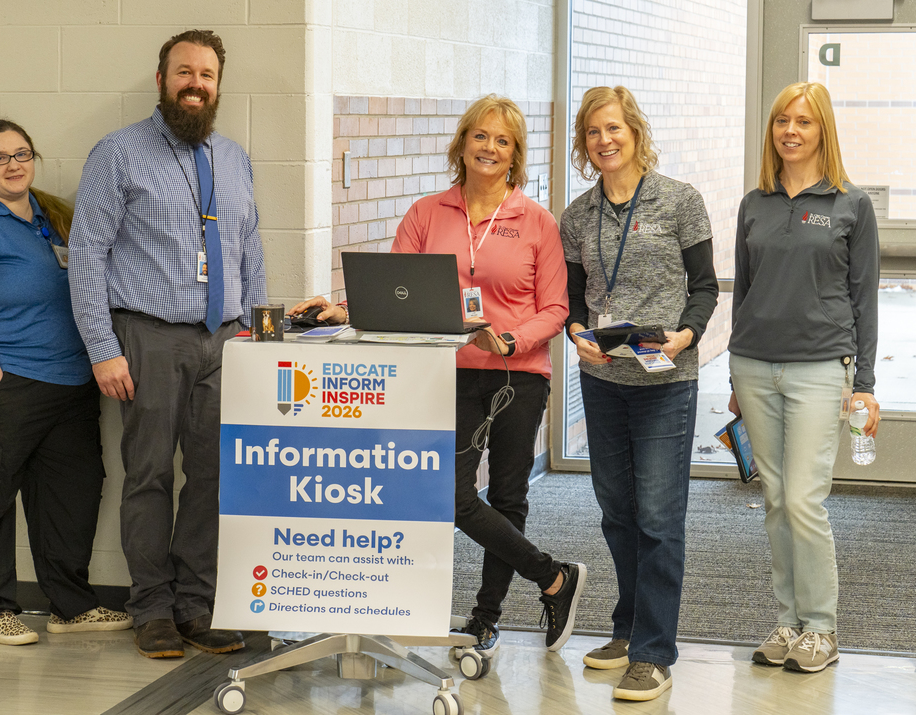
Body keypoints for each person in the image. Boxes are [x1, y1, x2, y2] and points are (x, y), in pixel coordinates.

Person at [291, 94, 587, 659]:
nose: (490, 148)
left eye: (503, 141)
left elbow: (555, 309)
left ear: (515, 154)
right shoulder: (427, 214)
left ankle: (485, 619)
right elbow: (395, 292)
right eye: (481, 136)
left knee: (507, 496)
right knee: (450, 494)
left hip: (516, 375)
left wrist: (509, 338)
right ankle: (553, 577)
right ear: (463, 143)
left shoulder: (537, 221)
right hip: (446, 373)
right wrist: (344, 308)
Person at [68, 29, 267, 659]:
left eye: (206, 75)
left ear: (217, 86)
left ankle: (195, 605)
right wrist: (102, 347)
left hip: (224, 340)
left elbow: (249, 248)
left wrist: (257, 333)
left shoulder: (234, 159)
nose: (195, 84)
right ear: (162, 80)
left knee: (211, 477)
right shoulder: (118, 153)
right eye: (184, 72)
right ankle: (151, 607)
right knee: (149, 476)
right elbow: (86, 252)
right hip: (147, 337)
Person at [0, 120, 132, 646]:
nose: (13, 164)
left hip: (68, 383)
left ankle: (70, 605)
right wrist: (0, 386)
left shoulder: (50, 216)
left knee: (72, 494)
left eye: (22, 153)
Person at [561, 86, 718, 701]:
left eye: (614, 129)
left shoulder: (680, 201)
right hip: (602, 380)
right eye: (593, 132)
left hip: (665, 380)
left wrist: (686, 335)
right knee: (617, 512)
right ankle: (627, 629)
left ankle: (654, 654)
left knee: (658, 517)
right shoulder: (577, 215)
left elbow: (704, 288)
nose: (605, 141)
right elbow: (575, 300)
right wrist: (576, 332)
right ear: (585, 142)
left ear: (635, 132)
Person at [728, 81, 880, 674]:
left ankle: (822, 628)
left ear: (823, 131)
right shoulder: (755, 203)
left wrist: (863, 381)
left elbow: (864, 298)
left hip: (822, 367)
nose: (791, 131)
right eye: (782, 121)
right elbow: (743, 292)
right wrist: (738, 378)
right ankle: (788, 622)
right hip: (754, 364)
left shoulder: (850, 204)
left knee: (803, 498)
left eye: (805, 122)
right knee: (773, 498)